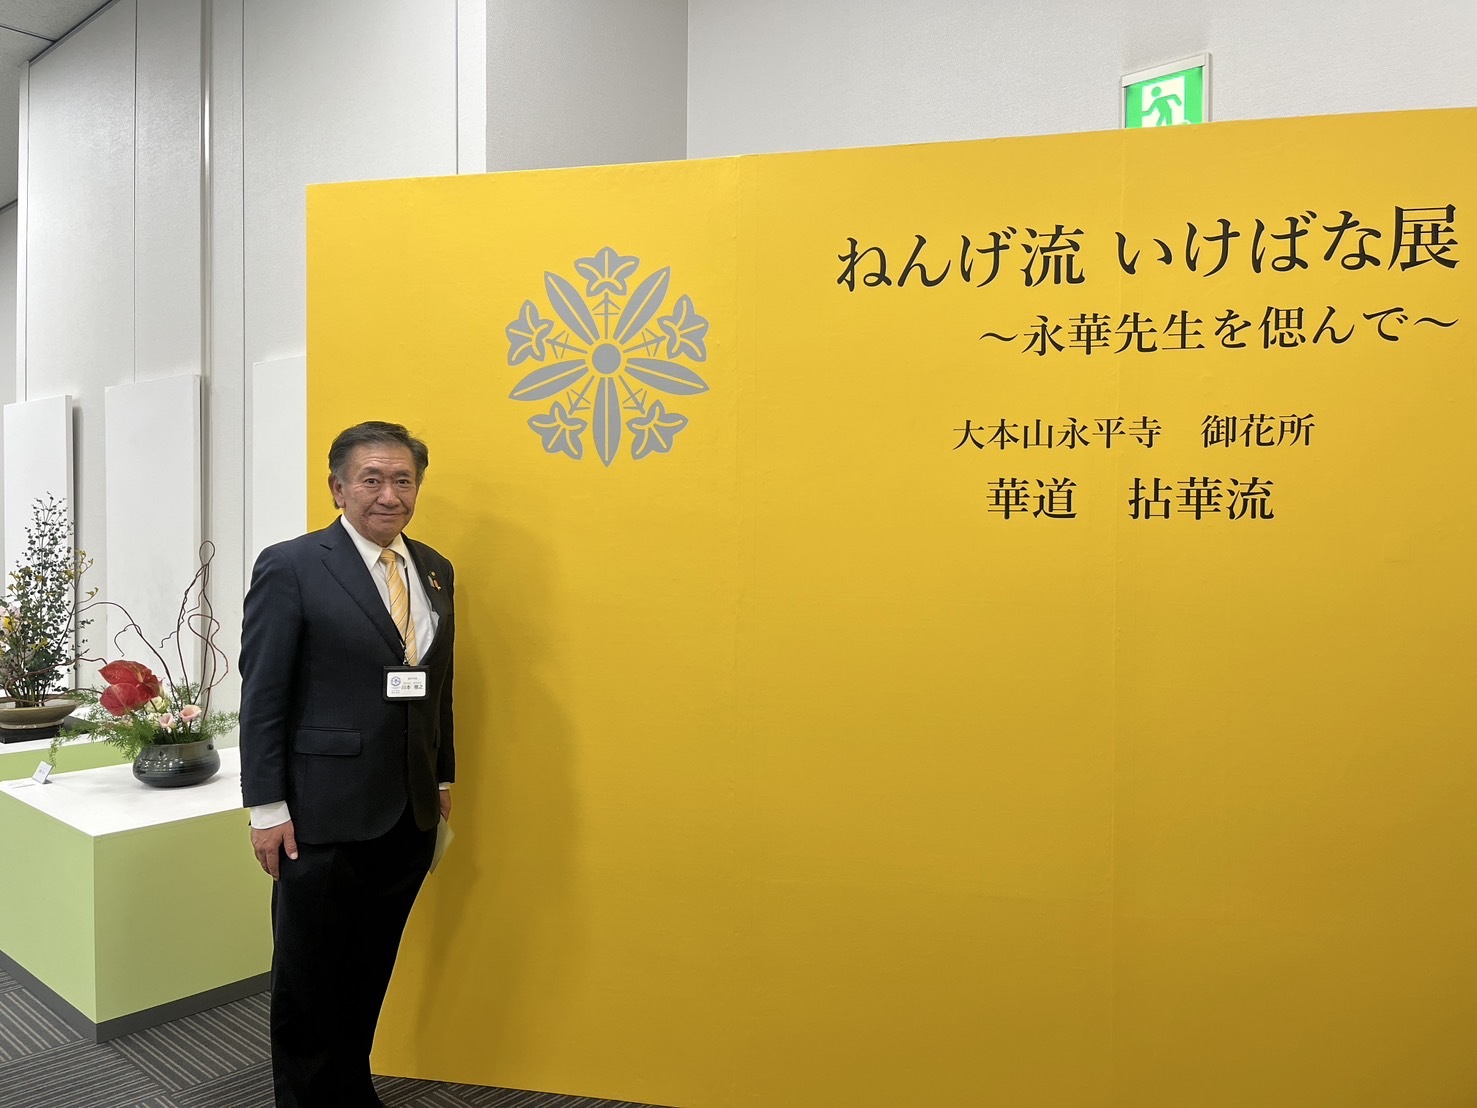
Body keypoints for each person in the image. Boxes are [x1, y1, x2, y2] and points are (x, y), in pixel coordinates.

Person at [240, 420, 455, 1108]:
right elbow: (263, 695)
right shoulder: (292, 565)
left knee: (367, 970)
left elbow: (439, 685)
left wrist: (440, 775)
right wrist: (266, 807)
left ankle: (350, 1092)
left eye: (403, 480)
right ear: (337, 488)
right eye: (372, 479)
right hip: (320, 813)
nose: (389, 494)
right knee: (309, 983)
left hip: (407, 812)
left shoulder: (434, 569)